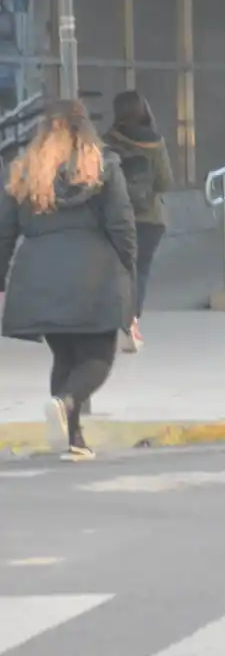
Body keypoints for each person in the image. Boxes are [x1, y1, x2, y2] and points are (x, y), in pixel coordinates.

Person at [0, 99, 136, 461]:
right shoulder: (103, 166)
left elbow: (4, 233)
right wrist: (128, 274)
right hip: (93, 273)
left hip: (39, 276)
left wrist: (1, 283)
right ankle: (66, 403)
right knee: (99, 356)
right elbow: (122, 226)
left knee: (65, 354)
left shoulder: (24, 171)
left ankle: (73, 441)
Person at [105, 90, 173, 352]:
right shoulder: (155, 142)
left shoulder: (107, 141)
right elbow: (165, 182)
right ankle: (131, 323)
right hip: (150, 219)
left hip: (115, 218)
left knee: (117, 271)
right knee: (140, 272)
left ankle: (113, 322)